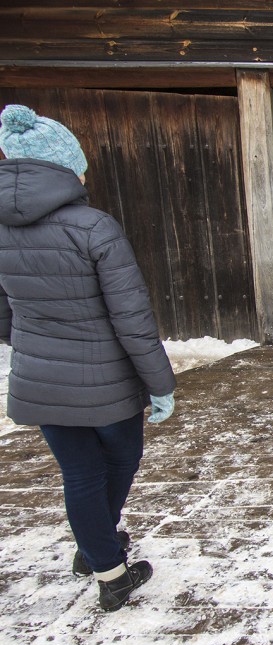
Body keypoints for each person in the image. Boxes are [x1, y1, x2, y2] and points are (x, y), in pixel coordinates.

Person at [0, 104, 176, 612]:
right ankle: (110, 571)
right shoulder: (92, 227)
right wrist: (159, 383)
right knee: (120, 459)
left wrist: (36, 344)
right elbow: (132, 318)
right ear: (63, 167)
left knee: (78, 475)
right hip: (106, 384)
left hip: (38, 378)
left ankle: (98, 551)